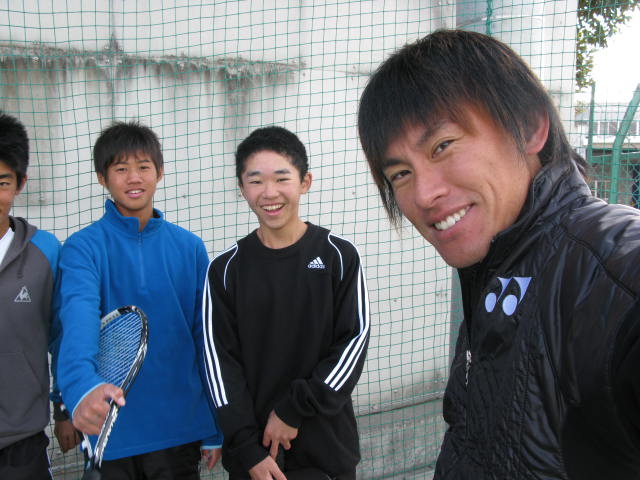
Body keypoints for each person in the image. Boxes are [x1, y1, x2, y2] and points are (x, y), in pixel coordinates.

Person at [358, 29, 640, 479]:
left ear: (529, 127)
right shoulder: (496, 266)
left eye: (443, 146)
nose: (425, 195)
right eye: (402, 174)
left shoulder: (610, 271)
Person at [56, 121, 222, 478]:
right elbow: (77, 324)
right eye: (121, 169)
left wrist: (213, 425)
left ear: (159, 172)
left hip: (180, 430)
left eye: (143, 167)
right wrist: (81, 389)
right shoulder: (82, 248)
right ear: (102, 178)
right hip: (111, 431)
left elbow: (205, 339)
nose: (134, 178)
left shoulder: (190, 248)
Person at [202, 126, 370, 480]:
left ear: (305, 182)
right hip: (257, 460)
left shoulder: (338, 256)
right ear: (242, 188)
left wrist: (293, 409)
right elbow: (220, 365)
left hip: (328, 451)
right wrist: (246, 447)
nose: (269, 193)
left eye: (281, 178)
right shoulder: (226, 270)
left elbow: (353, 343)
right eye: (256, 181)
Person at [0, 111, 75, 479]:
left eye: (2, 182)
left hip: (23, 440)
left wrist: (63, 408)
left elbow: (62, 335)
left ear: (20, 183)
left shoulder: (45, 250)